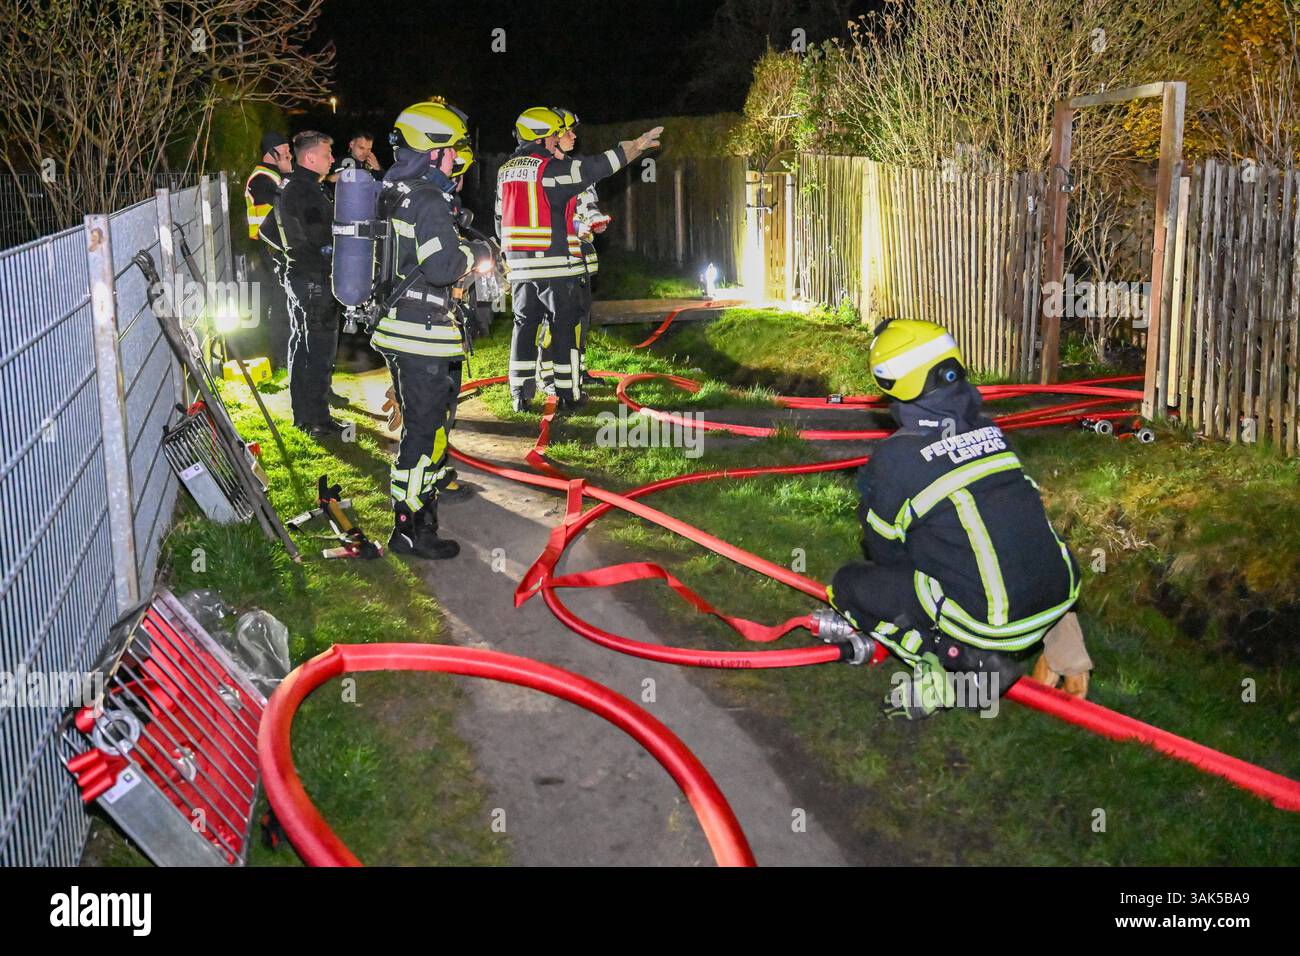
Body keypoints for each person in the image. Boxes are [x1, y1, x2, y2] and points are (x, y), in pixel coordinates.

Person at [824, 319, 1081, 719]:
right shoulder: (991, 431)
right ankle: (1057, 639)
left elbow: (884, 552)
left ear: (890, 383)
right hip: (1059, 593)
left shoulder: (895, 460)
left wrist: (932, 568)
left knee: (848, 585)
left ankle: (958, 663)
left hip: (994, 622)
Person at [372, 100, 490, 559]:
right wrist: (472, 256)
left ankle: (418, 516)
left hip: (400, 329)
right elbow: (441, 267)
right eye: (453, 150)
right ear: (432, 150)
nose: (457, 159)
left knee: (422, 428)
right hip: (420, 333)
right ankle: (411, 530)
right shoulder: (427, 199)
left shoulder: (396, 190)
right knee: (422, 433)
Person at [495, 106, 662, 412]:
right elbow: (593, 168)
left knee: (524, 326)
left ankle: (519, 392)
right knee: (564, 327)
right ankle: (568, 393)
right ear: (544, 137)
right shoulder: (549, 168)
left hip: (519, 267)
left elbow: (498, 218)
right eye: (556, 133)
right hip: (554, 264)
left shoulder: (505, 170)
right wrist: (636, 147)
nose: (562, 137)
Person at [270, 130, 343, 437]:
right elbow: (320, 237)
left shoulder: (298, 186)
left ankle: (304, 414)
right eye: (327, 154)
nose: (332, 159)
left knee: (302, 344)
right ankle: (317, 418)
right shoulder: (307, 192)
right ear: (310, 158)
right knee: (320, 348)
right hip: (314, 278)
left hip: (299, 275)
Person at [243, 131, 293, 366]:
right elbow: (276, 214)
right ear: (272, 152)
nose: (289, 155)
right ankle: (278, 359)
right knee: (278, 305)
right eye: (285, 151)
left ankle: (279, 357)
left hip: (269, 251)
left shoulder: (272, 176)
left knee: (279, 304)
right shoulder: (262, 179)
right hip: (267, 251)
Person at [326, 131, 383, 196]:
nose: (365, 153)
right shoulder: (341, 163)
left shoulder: (372, 163)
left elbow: (387, 185)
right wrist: (330, 179)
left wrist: (378, 169)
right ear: (351, 145)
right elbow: (327, 181)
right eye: (361, 148)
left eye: (369, 149)